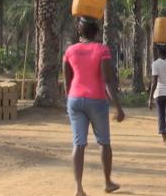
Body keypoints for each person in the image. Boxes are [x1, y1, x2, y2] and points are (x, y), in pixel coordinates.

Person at [63, 17, 125, 196]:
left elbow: (67, 80)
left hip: (74, 99)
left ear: (79, 32)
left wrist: (70, 99)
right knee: (104, 143)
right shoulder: (101, 50)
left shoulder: (70, 51)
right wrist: (118, 107)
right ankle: (107, 182)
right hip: (96, 100)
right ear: (97, 32)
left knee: (78, 144)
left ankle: (79, 189)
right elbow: (107, 80)